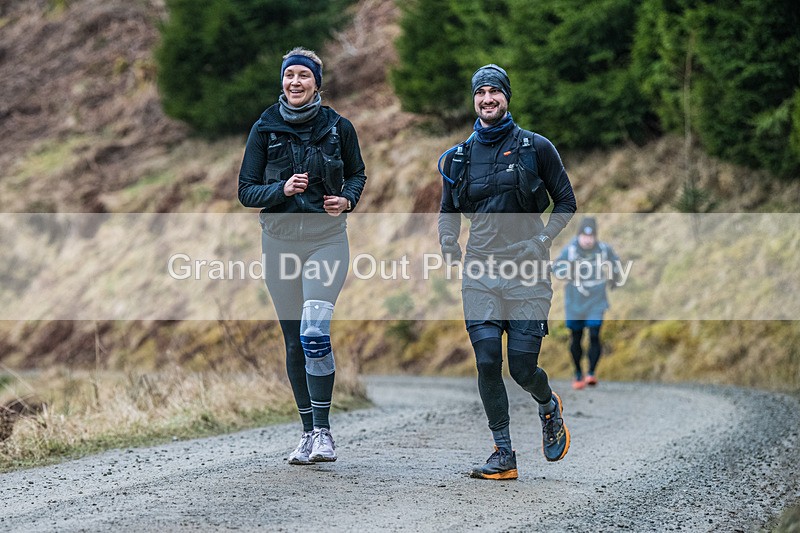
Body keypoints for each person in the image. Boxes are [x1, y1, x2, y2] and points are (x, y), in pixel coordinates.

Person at [438, 64, 577, 480]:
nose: (487, 99)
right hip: (479, 270)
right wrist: (448, 240)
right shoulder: (457, 157)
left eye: (494, 91)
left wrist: (541, 240)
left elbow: (566, 202)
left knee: (520, 367)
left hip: (528, 273)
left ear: (506, 97)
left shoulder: (537, 147)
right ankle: (503, 453)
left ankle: (548, 405)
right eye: (480, 92)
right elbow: (448, 210)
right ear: (473, 100)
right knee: (485, 360)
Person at [238, 47, 367, 465]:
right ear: (282, 81)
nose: (295, 82)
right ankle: (307, 432)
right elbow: (246, 191)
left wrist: (347, 200)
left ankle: (325, 433)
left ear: (317, 83)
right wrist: (282, 191)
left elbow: (357, 174)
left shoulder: (338, 127)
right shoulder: (264, 128)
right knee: (294, 341)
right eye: (290, 75)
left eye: (303, 76)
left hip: (325, 241)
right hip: (278, 243)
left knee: (314, 332)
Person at [554, 216, 622, 390]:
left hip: (596, 300)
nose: (588, 240)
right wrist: (567, 272)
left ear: (595, 236)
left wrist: (615, 277)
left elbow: (615, 262)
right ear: (579, 235)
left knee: (594, 334)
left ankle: (591, 372)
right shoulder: (570, 250)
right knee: (576, 338)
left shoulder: (603, 249)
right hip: (575, 300)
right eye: (585, 236)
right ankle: (578, 373)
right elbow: (556, 268)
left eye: (591, 236)